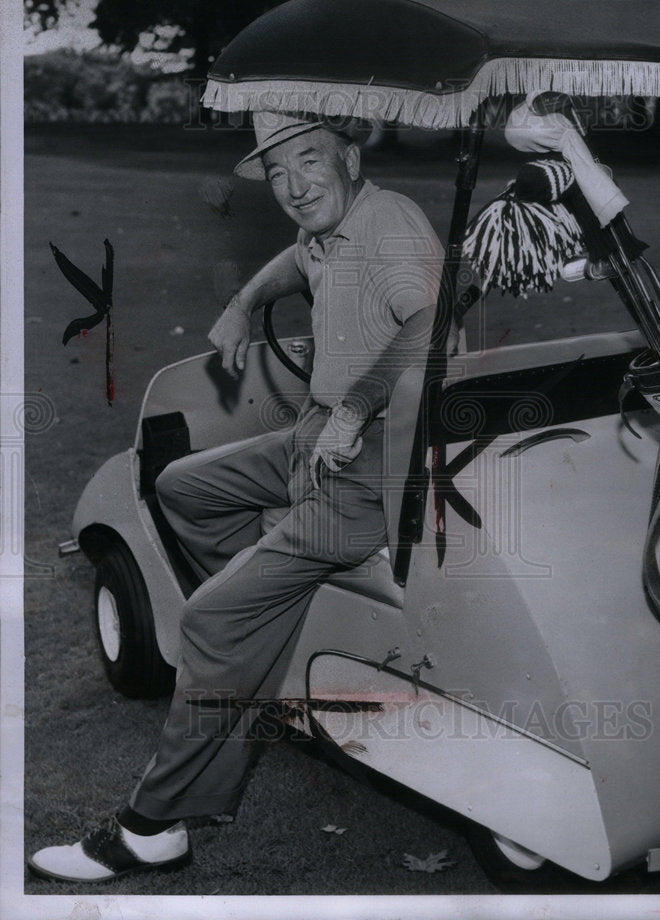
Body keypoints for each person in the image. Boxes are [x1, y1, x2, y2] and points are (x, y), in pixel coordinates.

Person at [28, 111, 444, 883]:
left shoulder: (389, 221)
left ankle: (155, 829)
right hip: (318, 433)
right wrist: (244, 301)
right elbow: (298, 258)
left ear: (351, 158)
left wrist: (354, 410)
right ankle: (262, 655)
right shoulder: (332, 227)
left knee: (214, 615)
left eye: (309, 162)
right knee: (183, 487)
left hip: (376, 459)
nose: (293, 187)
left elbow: (431, 320)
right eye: (278, 173)